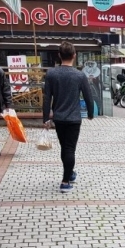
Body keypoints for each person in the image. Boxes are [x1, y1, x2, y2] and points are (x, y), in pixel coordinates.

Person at [43, 42, 95, 193]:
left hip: (58, 118)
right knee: (70, 149)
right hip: (73, 119)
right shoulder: (80, 75)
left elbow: (47, 98)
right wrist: (91, 114)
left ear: (59, 55)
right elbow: (88, 97)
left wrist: (46, 118)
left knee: (65, 148)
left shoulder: (51, 73)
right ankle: (65, 182)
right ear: (74, 55)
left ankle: (69, 173)